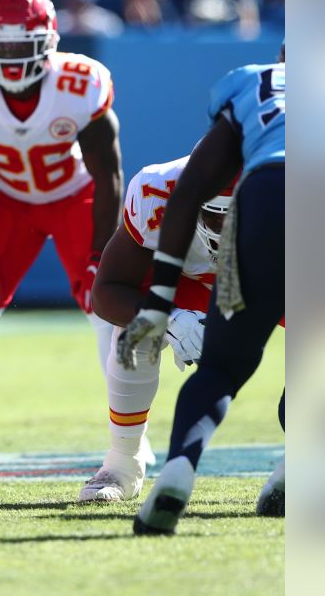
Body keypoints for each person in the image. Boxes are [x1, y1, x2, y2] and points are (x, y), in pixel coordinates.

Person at [0, 0, 124, 468]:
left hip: (76, 198)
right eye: (4, 48)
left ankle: (127, 435)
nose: (15, 58)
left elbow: (110, 174)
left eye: (25, 46)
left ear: (49, 43)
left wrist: (100, 251)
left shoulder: (80, 85)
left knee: (106, 307)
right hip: (9, 201)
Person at [122, 49, 284, 535]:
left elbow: (189, 192)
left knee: (221, 367)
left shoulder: (254, 83)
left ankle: (180, 468)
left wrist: (158, 303)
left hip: (264, 199)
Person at [80, 156, 238, 502]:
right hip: (189, 279)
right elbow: (108, 293)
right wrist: (169, 321)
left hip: (274, 276)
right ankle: (122, 463)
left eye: (235, 214)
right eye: (215, 213)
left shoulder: (292, 196)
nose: (224, 228)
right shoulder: (158, 190)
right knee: (134, 334)